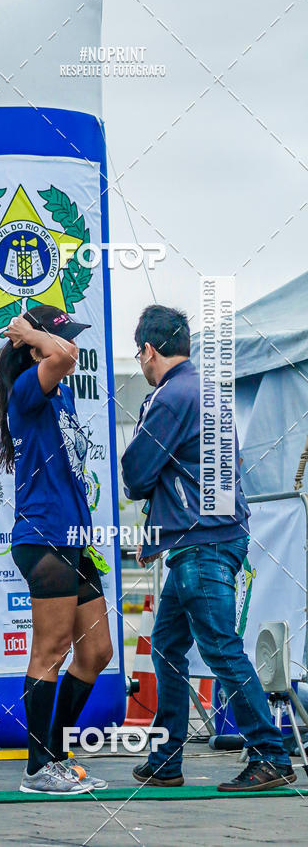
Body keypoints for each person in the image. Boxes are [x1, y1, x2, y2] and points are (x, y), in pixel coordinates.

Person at [121, 304, 295, 792]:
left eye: (139, 354)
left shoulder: (170, 396)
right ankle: (167, 758)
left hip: (200, 544)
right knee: (169, 646)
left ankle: (270, 754)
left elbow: (136, 474)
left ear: (149, 350)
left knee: (220, 649)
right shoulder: (209, 391)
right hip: (211, 538)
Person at [0, 305, 113, 795]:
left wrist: (39, 337)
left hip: (73, 540)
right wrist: (29, 332)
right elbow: (62, 356)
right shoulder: (27, 391)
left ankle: (57, 755)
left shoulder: (60, 394)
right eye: (63, 336)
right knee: (52, 650)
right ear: (34, 349)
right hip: (43, 537)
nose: (72, 345)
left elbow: (65, 357)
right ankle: (38, 768)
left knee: (96, 652)